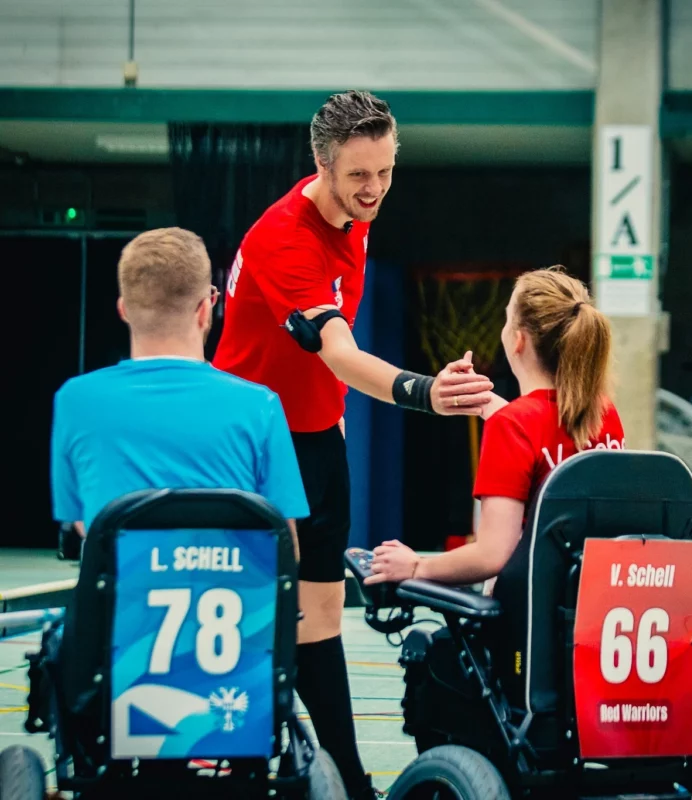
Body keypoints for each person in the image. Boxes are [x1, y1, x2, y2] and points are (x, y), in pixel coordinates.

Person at [211, 89, 493, 799]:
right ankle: (279, 771)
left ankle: (340, 777)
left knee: (324, 622)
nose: (374, 190)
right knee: (260, 623)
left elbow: (319, 367)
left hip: (315, 437)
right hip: (253, 449)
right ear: (322, 163)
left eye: (386, 172)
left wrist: (330, 413)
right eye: (359, 175)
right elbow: (337, 350)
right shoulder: (285, 236)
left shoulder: (355, 221)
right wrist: (427, 392)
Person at [51, 226, 308, 558]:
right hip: (236, 606)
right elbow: (285, 549)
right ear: (206, 308)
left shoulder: (74, 400)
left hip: (121, 607)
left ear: (124, 309)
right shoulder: (261, 406)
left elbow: (85, 524)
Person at [364, 266, 625, 588]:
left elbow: (492, 555)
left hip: (530, 607)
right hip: (591, 599)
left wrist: (416, 566)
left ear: (517, 340)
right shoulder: (604, 412)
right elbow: (551, 436)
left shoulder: (513, 425)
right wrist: (499, 408)